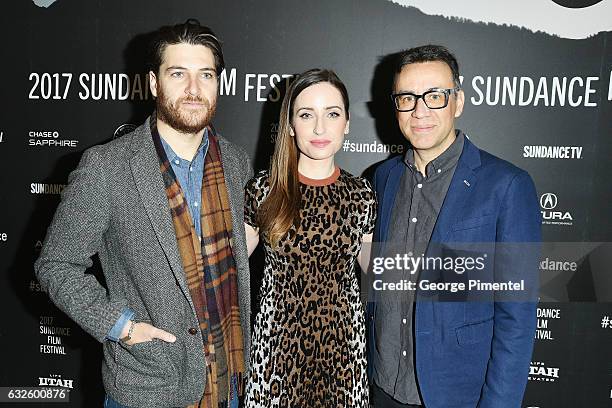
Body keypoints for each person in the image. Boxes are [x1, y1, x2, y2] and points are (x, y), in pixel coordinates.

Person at [34, 20, 252, 408]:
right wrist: (123, 327)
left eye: (205, 75)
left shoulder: (235, 163)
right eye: (178, 74)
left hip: (228, 382)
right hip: (147, 387)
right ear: (154, 84)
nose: (193, 89)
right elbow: (56, 265)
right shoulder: (107, 166)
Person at [367, 45, 541, 408]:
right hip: (379, 388)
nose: (420, 111)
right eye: (407, 98)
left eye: (435, 96)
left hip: (455, 396)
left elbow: (516, 319)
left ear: (457, 102)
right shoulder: (382, 178)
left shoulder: (506, 186)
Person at [242, 69, 376, 407]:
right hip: (275, 360)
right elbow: (224, 270)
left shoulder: (361, 194)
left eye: (332, 114)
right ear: (289, 125)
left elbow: (381, 272)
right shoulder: (264, 191)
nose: (320, 128)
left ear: (346, 123)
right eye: (306, 115)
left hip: (344, 361)